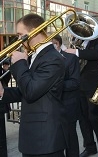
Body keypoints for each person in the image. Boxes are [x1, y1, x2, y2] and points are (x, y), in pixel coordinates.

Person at [0, 13, 68, 156]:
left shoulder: (52, 58)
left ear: (34, 32)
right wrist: (3, 92)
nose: (18, 40)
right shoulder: (34, 55)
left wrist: (19, 64)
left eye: (20, 35)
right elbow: (26, 89)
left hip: (45, 139)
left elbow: (31, 91)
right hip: (34, 136)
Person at [65, 28, 98, 157]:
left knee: (94, 117)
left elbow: (97, 54)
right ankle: (90, 147)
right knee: (83, 118)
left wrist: (75, 51)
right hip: (78, 85)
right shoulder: (76, 40)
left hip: (92, 85)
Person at [52, 35, 80, 157]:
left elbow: (75, 82)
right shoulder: (42, 59)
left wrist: (54, 85)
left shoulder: (70, 58)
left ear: (56, 44)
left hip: (68, 105)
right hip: (51, 106)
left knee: (70, 139)